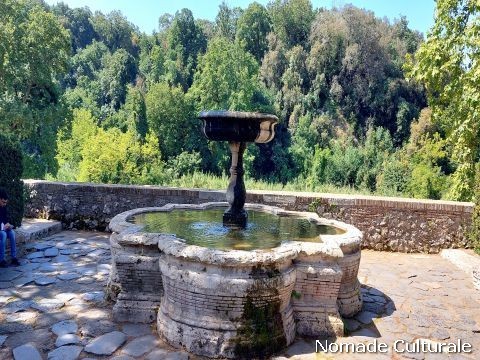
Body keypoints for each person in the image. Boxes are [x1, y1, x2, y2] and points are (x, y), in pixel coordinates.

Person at [0, 188, 19, 267]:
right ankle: (1, 260)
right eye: (3, 202)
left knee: (11, 233)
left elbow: (5, 219)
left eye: (5, 202)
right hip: (1, 230)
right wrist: (2, 227)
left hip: (3, 228)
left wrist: (8, 225)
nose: (4, 204)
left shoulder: (3, 207)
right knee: (3, 235)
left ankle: (14, 258)